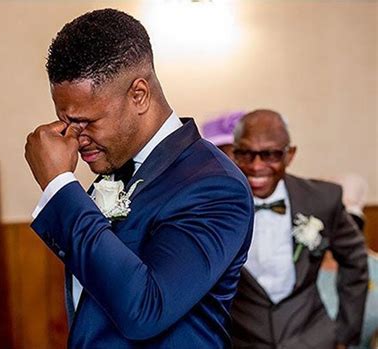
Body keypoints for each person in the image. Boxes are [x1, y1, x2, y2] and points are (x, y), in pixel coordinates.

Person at [24, 9, 254, 348]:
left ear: (139, 95)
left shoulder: (214, 185)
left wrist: (59, 186)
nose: (75, 136)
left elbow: (145, 309)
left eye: (87, 121)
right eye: (66, 121)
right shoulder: (112, 168)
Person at [229, 109, 369, 349]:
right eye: (246, 154)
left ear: (289, 155)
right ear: (234, 153)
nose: (256, 166)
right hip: (239, 340)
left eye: (270, 154)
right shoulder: (216, 205)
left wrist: (345, 334)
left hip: (313, 339)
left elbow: (355, 261)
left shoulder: (322, 199)